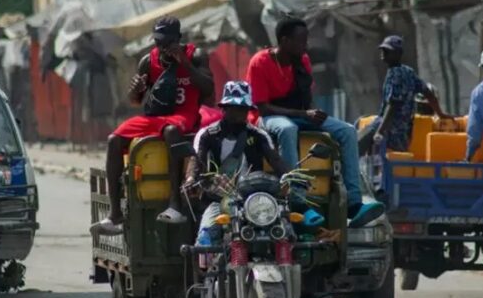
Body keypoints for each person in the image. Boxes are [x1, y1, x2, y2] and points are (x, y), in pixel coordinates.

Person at [245, 17, 383, 225]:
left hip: (298, 114)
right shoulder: (260, 62)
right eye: (301, 41)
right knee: (287, 129)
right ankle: (298, 200)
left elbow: (306, 98)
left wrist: (313, 113)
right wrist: (302, 115)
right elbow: (262, 107)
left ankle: (354, 204)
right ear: (284, 41)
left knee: (347, 130)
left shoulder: (303, 61)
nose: (305, 46)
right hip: (268, 117)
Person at [92, 16, 214, 234]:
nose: (162, 47)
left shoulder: (196, 56)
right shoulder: (149, 61)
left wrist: (183, 63)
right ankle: (115, 214)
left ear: (178, 38)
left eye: (167, 43)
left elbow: (208, 88)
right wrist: (136, 89)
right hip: (156, 117)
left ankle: (175, 204)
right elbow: (134, 100)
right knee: (114, 139)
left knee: (171, 131)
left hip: (184, 114)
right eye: (158, 42)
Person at [186, 81, 290, 245]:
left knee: (286, 231)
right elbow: (197, 159)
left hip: (256, 200)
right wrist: (191, 179)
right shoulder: (207, 135)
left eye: (244, 109)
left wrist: (290, 177)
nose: (241, 113)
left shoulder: (258, 135)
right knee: (204, 240)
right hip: (218, 199)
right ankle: (207, 270)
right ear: (224, 108)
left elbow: (275, 159)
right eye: (235, 108)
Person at [367, 35, 451, 152]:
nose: (383, 53)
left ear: (397, 54)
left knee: (356, 143)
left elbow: (393, 105)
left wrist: (380, 132)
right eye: (383, 50)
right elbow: (427, 93)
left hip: (391, 130)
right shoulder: (408, 72)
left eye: (387, 51)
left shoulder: (395, 74)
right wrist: (440, 113)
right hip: (404, 133)